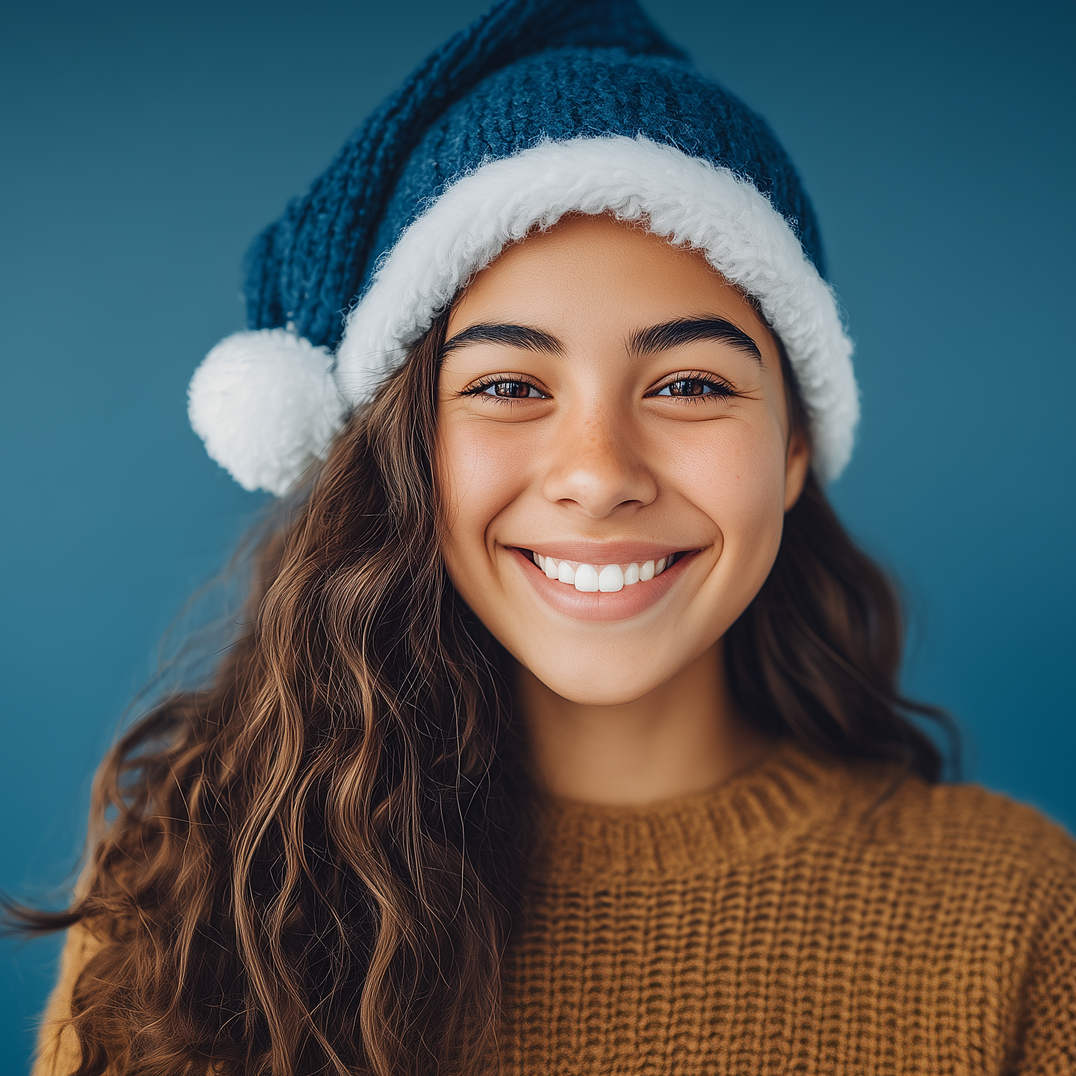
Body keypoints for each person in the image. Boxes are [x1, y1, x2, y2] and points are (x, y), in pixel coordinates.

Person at [21, 0, 1075, 1073]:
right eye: (509, 384)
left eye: (690, 383)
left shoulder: (1020, 920)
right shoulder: (179, 917)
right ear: (405, 452)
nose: (597, 474)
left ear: (792, 445)